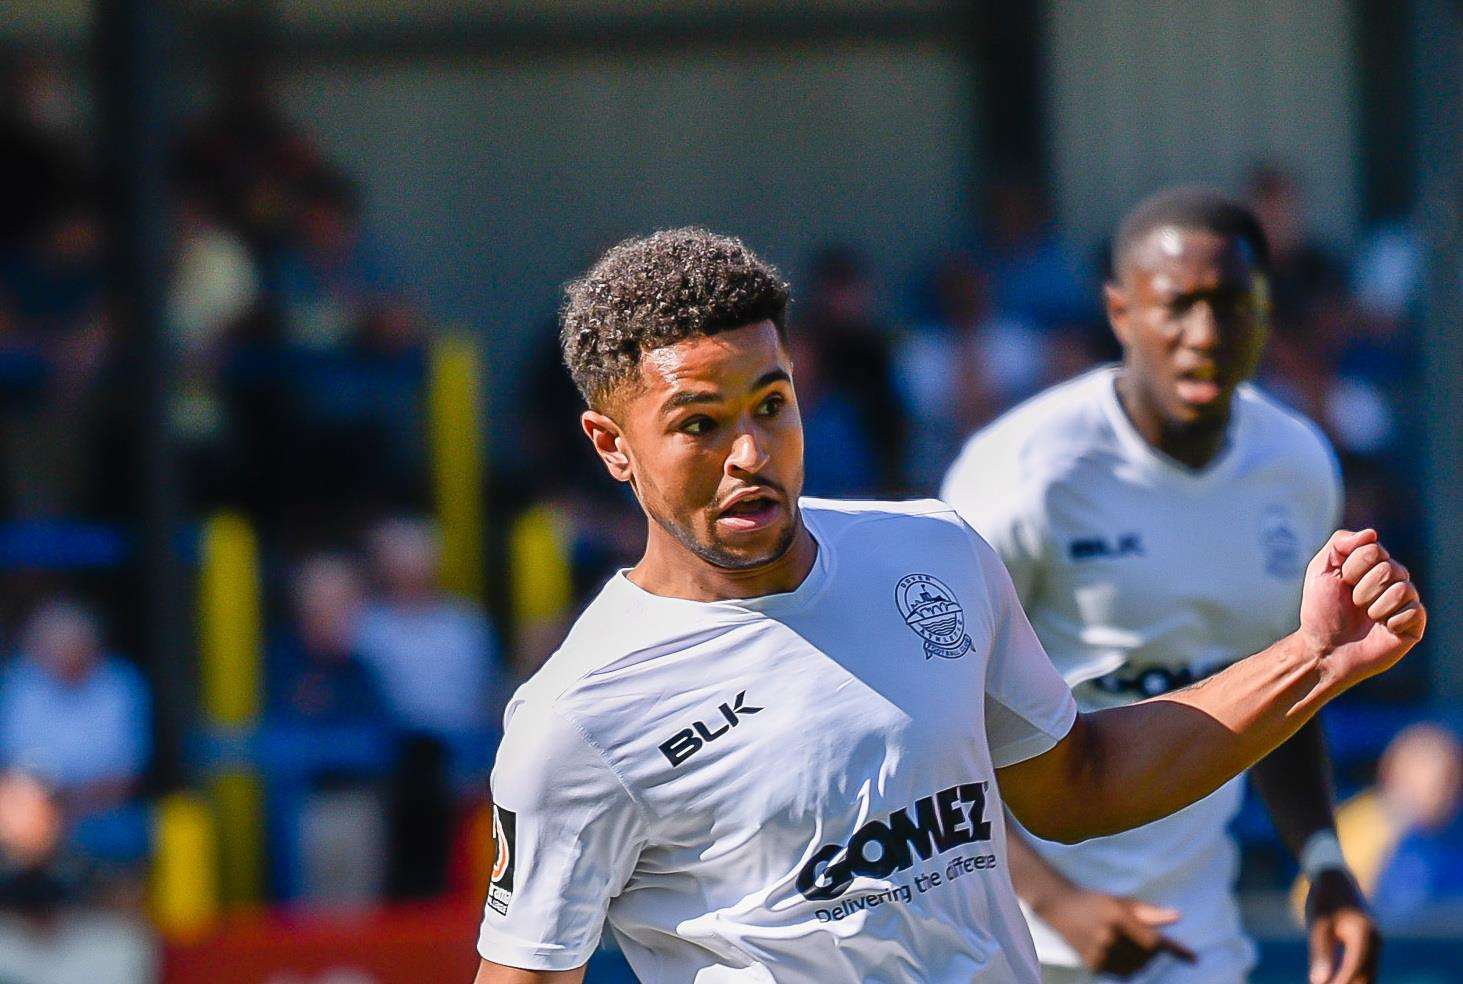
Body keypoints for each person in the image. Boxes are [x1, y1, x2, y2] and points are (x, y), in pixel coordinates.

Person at [472, 228, 1425, 984]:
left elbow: (1081, 783)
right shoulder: (579, 719)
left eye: (771, 403)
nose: (751, 455)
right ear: (610, 444)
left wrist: (1316, 655)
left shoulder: (933, 554)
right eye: (698, 425)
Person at [941, 187, 1376, 984]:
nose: (1204, 336)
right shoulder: (1024, 474)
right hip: (1002, 944)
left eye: (1230, 304)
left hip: (1187, 939)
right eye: (1177, 306)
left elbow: (1285, 682)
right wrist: (1055, 905)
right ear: (1120, 312)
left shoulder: (1295, 464)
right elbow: (931, 725)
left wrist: (1323, 864)